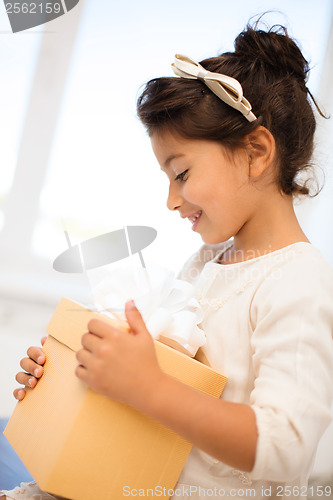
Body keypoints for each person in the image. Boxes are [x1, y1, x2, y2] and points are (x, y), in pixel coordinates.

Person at [1, 20, 333, 500]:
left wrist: (147, 385)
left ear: (257, 152)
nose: (171, 201)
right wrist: (90, 372)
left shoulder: (298, 281)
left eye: (181, 173)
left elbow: (286, 447)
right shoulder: (203, 264)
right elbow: (170, 386)